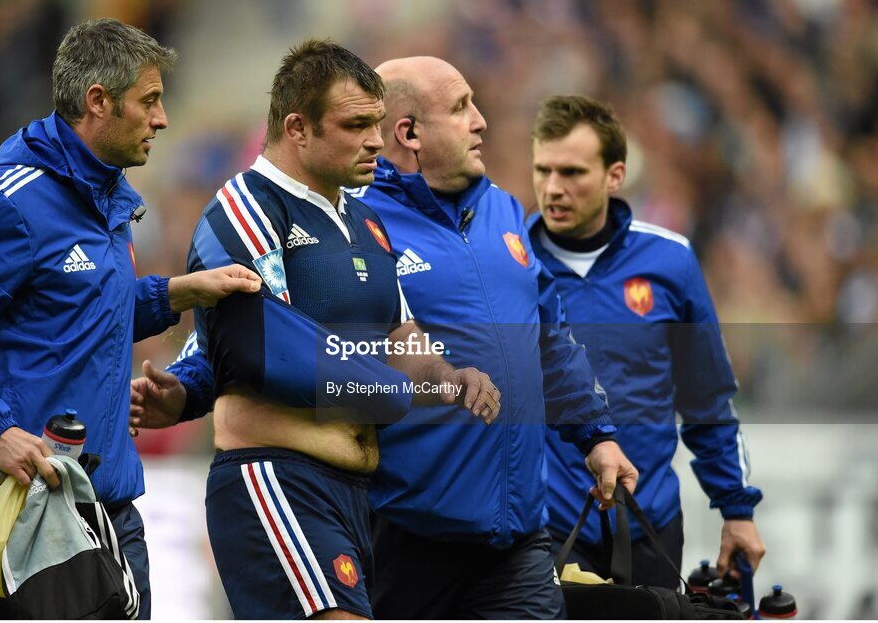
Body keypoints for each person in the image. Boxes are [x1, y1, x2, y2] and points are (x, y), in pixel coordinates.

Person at [0, 18, 261, 620]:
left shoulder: (105, 195)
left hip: (108, 513)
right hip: (3, 509)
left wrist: (176, 294)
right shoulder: (7, 200)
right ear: (98, 102)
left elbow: (74, 305)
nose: (162, 119)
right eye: (150, 101)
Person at [129, 39, 501, 620]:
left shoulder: (366, 220)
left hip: (354, 494)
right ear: (298, 128)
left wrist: (447, 378)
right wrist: (392, 391)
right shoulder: (247, 205)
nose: (376, 140)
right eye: (356, 125)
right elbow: (264, 345)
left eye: (377, 123)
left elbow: (399, 337)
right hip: (276, 479)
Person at [337, 55, 636, 619]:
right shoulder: (352, 225)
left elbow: (550, 340)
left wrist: (597, 436)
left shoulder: (502, 209)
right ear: (409, 133)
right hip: (403, 541)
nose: (481, 121)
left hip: (517, 540)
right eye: (460, 108)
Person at [527, 94, 765, 589]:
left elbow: (708, 399)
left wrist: (736, 509)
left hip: (649, 523)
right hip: (542, 526)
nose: (553, 188)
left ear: (615, 175)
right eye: (542, 170)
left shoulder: (671, 261)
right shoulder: (510, 262)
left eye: (572, 173)